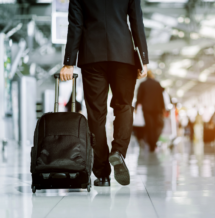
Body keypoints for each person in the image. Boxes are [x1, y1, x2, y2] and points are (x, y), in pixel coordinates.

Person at [59, 0, 149, 187]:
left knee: (96, 114)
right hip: (123, 55)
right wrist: (143, 59)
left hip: (92, 57)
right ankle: (118, 152)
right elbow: (136, 21)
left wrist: (69, 62)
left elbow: (76, 24)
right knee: (124, 106)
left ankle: (102, 174)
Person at [135, 70, 165, 152]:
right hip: (157, 109)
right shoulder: (157, 84)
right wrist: (163, 108)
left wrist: (136, 107)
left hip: (147, 109)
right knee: (156, 126)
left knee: (149, 126)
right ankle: (154, 142)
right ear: (152, 75)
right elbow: (161, 97)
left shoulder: (143, 84)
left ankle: (151, 144)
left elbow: (139, 96)